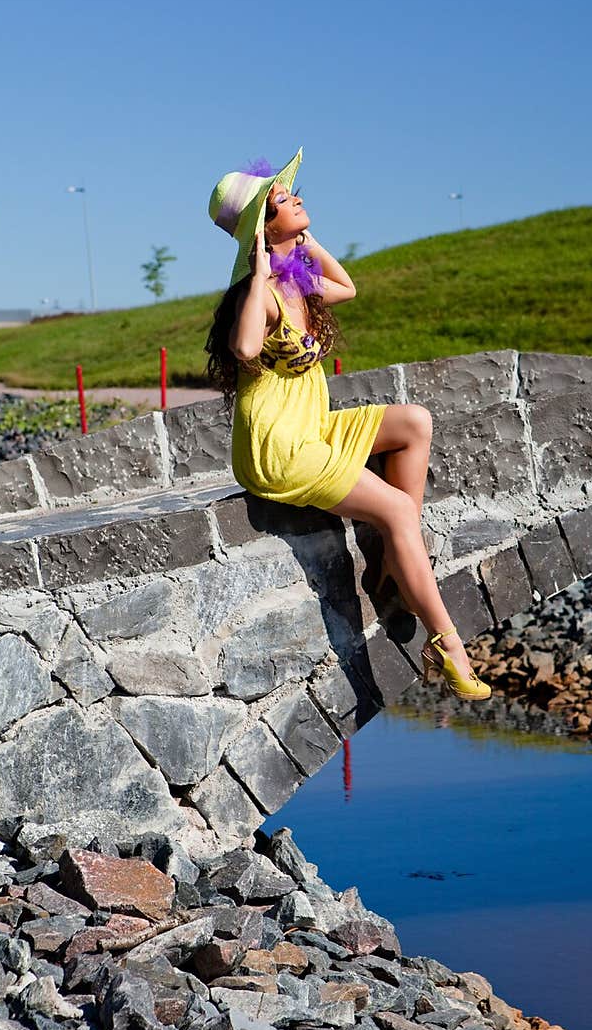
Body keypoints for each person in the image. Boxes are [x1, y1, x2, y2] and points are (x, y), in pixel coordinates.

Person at [205, 147, 490, 702]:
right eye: (285, 200)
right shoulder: (260, 294)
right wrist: (260, 272)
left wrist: (303, 243)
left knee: (414, 422)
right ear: (264, 226)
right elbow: (243, 349)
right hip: (279, 445)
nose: (300, 199)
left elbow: (349, 288)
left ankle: (391, 560)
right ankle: (447, 643)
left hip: (312, 426)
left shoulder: (300, 280)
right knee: (401, 508)